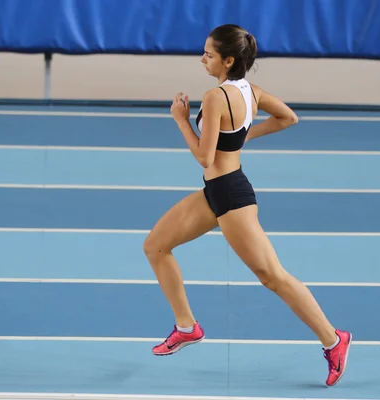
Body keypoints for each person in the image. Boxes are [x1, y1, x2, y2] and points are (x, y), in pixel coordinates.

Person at [142, 24, 352, 387]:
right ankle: (187, 326)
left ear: (228, 60)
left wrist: (179, 121)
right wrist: (237, 137)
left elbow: (205, 158)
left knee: (273, 277)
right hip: (216, 194)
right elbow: (289, 117)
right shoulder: (250, 91)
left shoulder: (215, 97)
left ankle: (334, 340)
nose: (202, 59)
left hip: (231, 198)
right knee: (156, 246)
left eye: (208, 54)